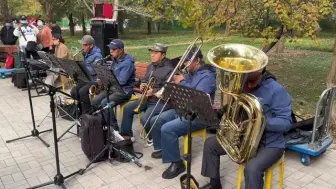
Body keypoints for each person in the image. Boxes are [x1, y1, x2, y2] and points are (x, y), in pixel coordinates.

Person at [200, 70, 293, 189]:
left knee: (252, 169)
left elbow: (286, 123)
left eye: (248, 68)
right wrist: (220, 111)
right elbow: (234, 107)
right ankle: (214, 185)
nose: (242, 71)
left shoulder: (276, 90)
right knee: (210, 144)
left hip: (270, 143)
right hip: (244, 138)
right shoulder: (241, 85)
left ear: (259, 69)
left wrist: (257, 122)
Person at [148, 47, 217, 179]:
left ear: (197, 61)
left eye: (187, 61)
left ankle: (177, 163)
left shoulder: (207, 77)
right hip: (184, 110)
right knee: (156, 120)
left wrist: (182, 82)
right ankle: (164, 149)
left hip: (199, 116)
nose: (184, 65)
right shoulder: (190, 73)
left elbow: (197, 98)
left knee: (167, 129)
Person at [120, 43, 173, 145]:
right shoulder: (151, 66)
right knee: (127, 109)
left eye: (155, 53)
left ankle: (153, 136)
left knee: (145, 118)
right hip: (148, 98)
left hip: (161, 101)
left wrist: (152, 91)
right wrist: (143, 84)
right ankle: (126, 136)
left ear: (163, 55)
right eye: (151, 52)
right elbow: (145, 79)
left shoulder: (170, 68)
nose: (152, 55)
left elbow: (169, 88)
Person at [91, 39, 136, 129]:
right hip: (113, 88)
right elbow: (112, 74)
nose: (111, 51)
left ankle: (114, 128)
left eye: (114, 49)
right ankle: (102, 123)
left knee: (105, 103)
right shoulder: (115, 59)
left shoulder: (127, 63)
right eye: (110, 49)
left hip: (124, 91)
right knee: (95, 101)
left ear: (121, 50)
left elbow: (122, 81)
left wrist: (106, 79)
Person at [70, 35, 103, 114]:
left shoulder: (98, 56)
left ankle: (87, 112)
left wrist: (80, 69)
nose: (82, 47)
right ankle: (81, 110)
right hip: (86, 78)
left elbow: (93, 71)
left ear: (91, 45)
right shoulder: (86, 54)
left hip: (94, 80)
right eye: (82, 44)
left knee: (82, 92)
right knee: (73, 91)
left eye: (84, 45)